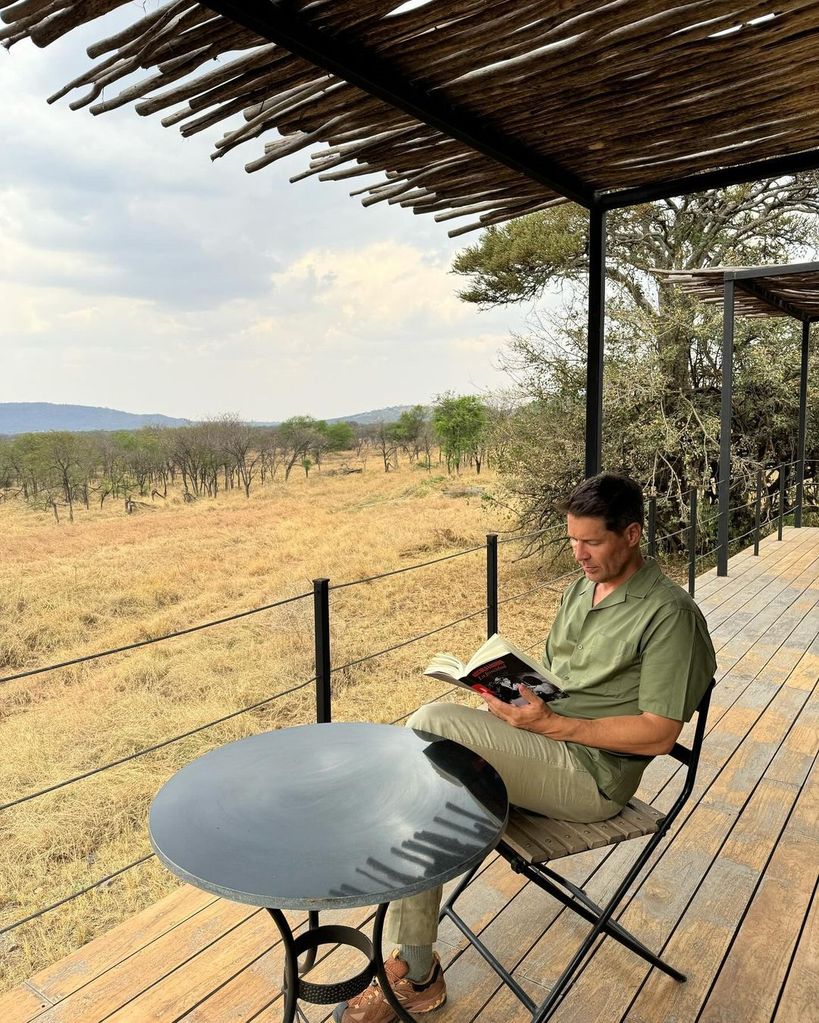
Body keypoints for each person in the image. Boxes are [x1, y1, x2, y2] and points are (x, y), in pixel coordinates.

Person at [334, 473, 716, 1023]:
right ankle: (415, 964)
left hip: (592, 776)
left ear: (632, 535)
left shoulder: (668, 614)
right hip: (542, 741)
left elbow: (658, 733)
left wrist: (552, 725)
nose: (579, 555)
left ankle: (413, 967)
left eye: (593, 542)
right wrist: (508, 695)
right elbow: (561, 676)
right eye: (572, 541)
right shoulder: (582, 588)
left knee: (429, 729)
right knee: (427, 791)